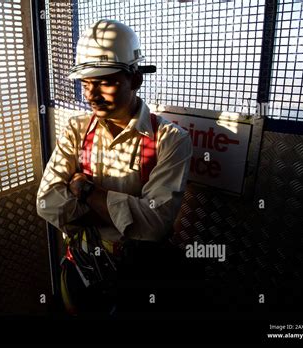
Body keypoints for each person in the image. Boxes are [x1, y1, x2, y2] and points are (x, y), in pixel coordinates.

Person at [36, 19, 193, 316]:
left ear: (135, 79)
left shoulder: (170, 140)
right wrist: (125, 212)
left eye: (105, 81)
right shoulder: (77, 130)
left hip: (139, 276)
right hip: (82, 266)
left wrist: (85, 189)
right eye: (85, 83)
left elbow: (156, 223)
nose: (92, 95)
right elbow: (47, 204)